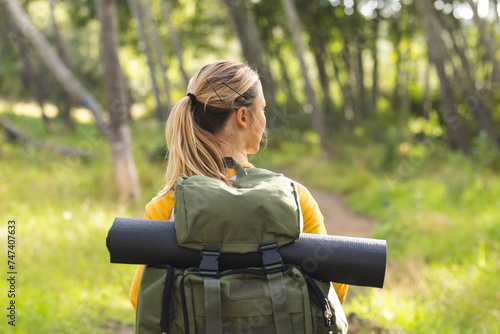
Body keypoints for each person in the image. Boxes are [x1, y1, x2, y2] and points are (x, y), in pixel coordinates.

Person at [129, 59, 348, 311]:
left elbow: (142, 300)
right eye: (263, 109)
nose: (264, 118)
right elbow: (332, 292)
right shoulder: (295, 198)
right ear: (243, 116)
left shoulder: (169, 206)